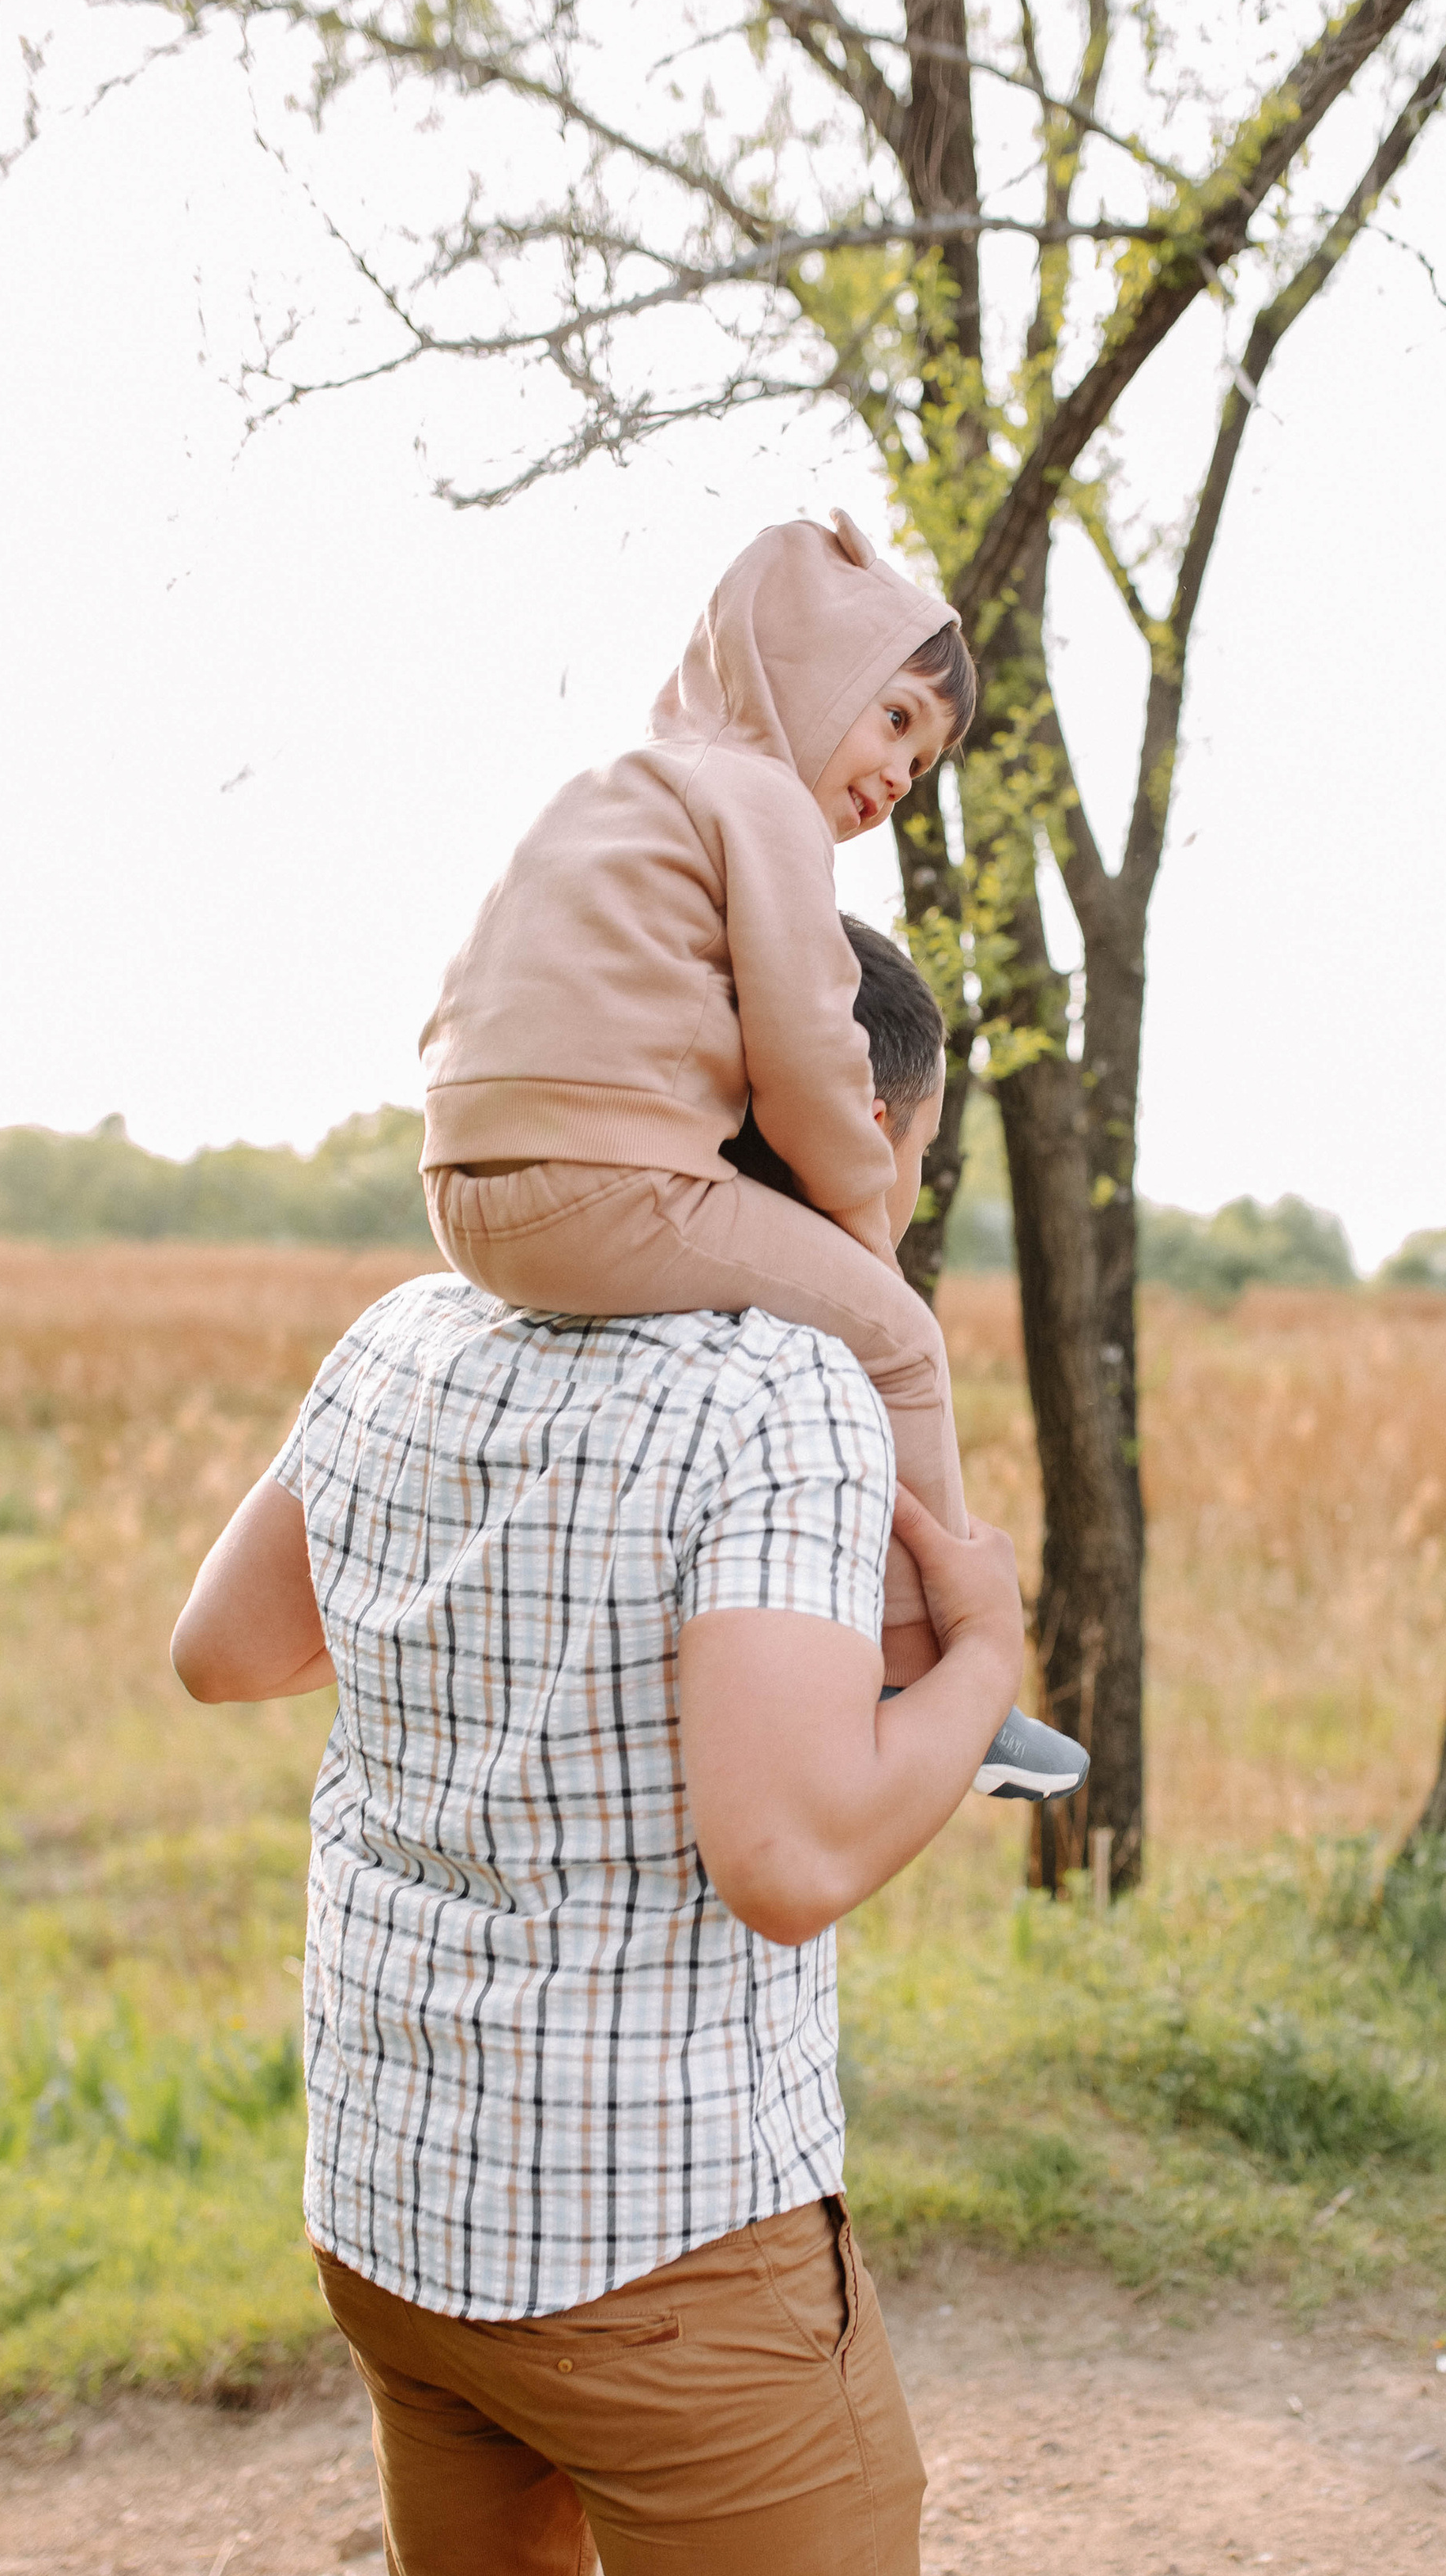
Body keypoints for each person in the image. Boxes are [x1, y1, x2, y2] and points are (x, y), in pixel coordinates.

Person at [167, 992, 1027, 2576]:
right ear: (850, 1130)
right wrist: (979, 1657)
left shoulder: (407, 1329)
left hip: (397, 2210)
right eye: (906, 1154)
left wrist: (502, 1645)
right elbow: (788, 1857)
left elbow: (227, 1648)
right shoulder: (783, 1389)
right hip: (664, 2247)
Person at [417, 505, 1085, 1804]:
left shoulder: (610, 792)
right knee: (899, 1341)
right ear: (800, 670)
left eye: (924, 761)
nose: (900, 776)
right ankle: (921, 1670)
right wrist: (865, 1241)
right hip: (611, 1186)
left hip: (464, 1188)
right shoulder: (763, 801)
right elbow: (810, 1047)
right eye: (894, 719)